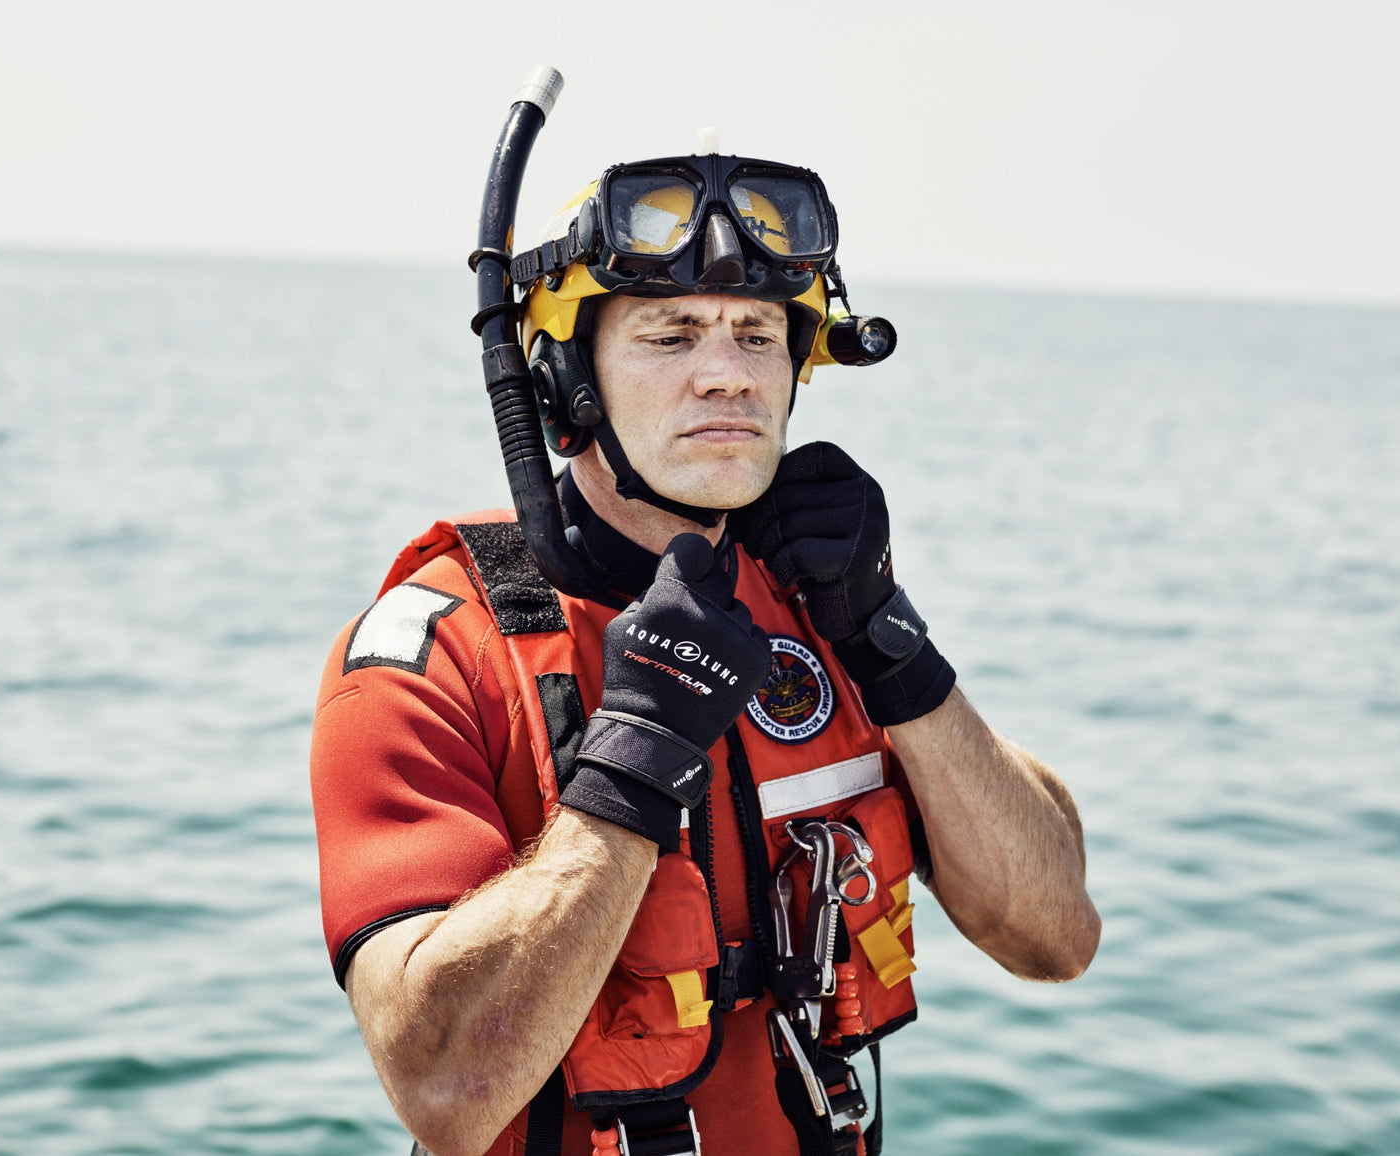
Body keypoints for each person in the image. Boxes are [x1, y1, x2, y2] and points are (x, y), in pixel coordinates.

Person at [310, 148, 1101, 1156]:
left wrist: (889, 639)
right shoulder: (435, 655)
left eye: (757, 333)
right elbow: (445, 1087)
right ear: (563, 380)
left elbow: (1054, 936)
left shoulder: (822, 610)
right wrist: (634, 755)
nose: (724, 371)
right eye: (670, 333)